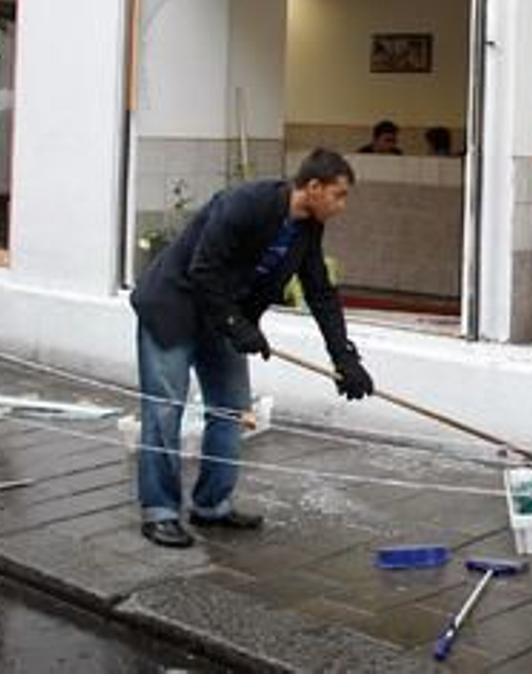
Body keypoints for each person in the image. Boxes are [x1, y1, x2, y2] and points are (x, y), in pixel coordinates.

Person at [129, 148, 375, 548]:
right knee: (164, 410)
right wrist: (236, 325)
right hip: (173, 308)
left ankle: (211, 505)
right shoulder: (245, 204)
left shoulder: (307, 229)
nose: (342, 205)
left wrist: (345, 358)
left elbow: (321, 294)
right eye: (339, 194)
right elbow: (203, 270)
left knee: (230, 409)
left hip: (225, 320)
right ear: (313, 187)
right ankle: (160, 513)